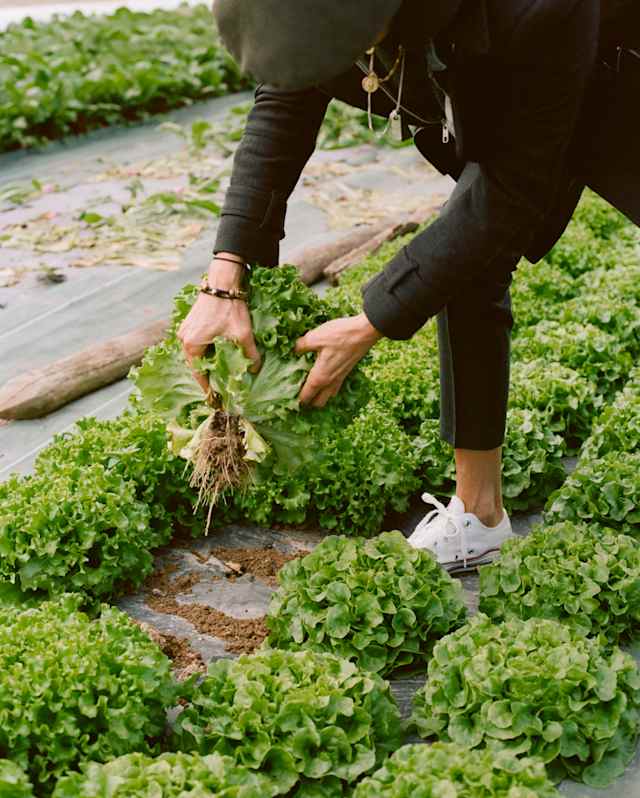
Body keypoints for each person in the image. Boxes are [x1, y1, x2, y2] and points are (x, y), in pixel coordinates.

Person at [178, 0, 639, 573]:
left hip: (619, 70)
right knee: (464, 260)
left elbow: (513, 187)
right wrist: (225, 276)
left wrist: (374, 319)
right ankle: (480, 515)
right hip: (512, 70)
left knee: (474, 233)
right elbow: (285, 100)